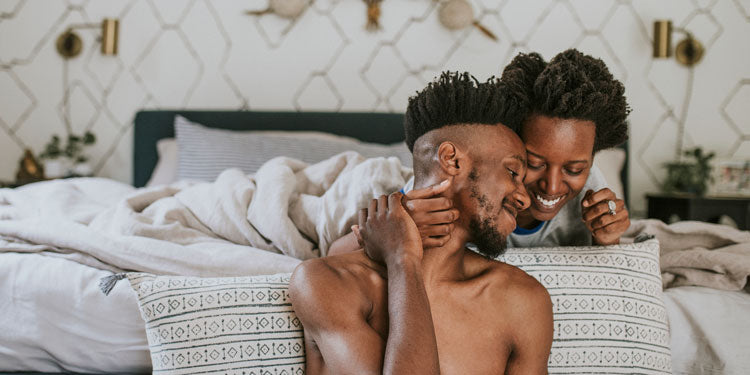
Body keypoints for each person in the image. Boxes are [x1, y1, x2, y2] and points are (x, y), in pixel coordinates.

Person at [289, 72, 553, 374]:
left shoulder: (523, 301)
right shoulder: (328, 282)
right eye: (512, 173)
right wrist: (402, 260)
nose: (525, 199)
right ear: (452, 161)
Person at [328, 49, 631, 254]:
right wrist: (400, 228)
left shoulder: (592, 193)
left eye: (574, 169)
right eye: (532, 163)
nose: (552, 185)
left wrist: (608, 238)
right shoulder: (452, 188)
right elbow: (335, 255)